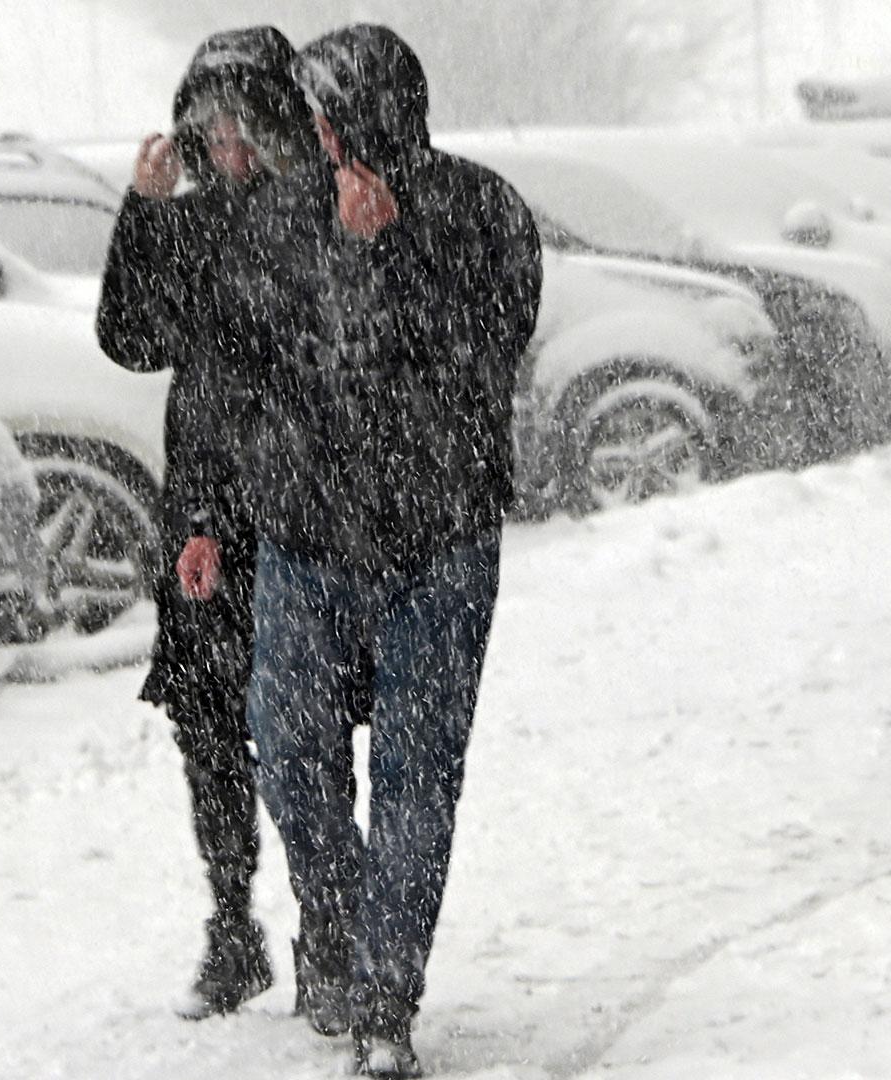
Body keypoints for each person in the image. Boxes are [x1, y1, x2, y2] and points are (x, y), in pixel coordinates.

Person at [224, 24, 542, 1079]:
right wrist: (208, 515)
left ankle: (384, 1005)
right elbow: (243, 370)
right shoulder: (276, 214)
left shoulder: (481, 209)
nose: (310, 131)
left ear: (362, 111)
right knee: (296, 761)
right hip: (307, 537)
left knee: (416, 778)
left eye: (323, 112)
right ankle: (339, 935)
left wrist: (389, 252)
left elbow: (483, 355)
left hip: (440, 538)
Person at [94, 25, 320, 1021]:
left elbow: (291, 383)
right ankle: (232, 930)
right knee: (213, 735)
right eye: (210, 131)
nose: (227, 149)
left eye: (245, 128)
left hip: (303, 519)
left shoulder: (314, 217)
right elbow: (134, 340)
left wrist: (233, 511)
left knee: (310, 735)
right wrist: (140, 219)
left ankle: (330, 932)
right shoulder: (186, 224)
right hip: (205, 524)